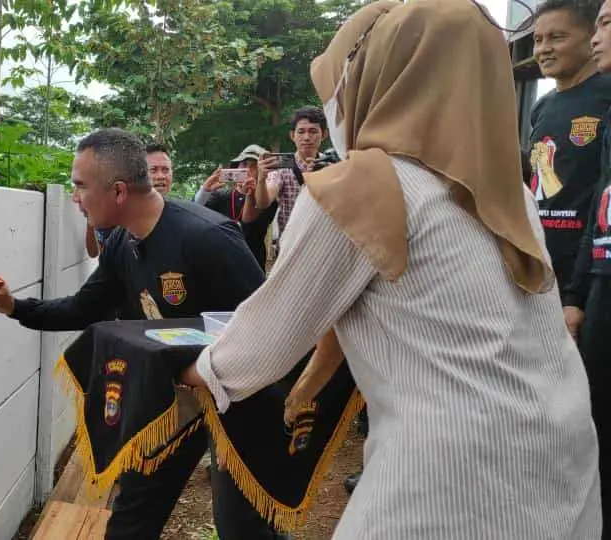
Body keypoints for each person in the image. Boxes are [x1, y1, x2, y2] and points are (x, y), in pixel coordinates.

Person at [179, 1, 601, 537]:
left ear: (380, 77)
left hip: (451, 477)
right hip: (562, 452)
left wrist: (172, 367)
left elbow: (255, 352)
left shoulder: (361, 186)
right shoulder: (508, 193)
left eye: (339, 84)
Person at [0, 128, 285, 540]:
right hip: (170, 400)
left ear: (118, 191)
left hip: (238, 403)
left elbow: (269, 329)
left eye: (80, 185)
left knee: (245, 529)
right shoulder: (122, 242)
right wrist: (13, 306)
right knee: (132, 516)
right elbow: (84, 308)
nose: (75, 197)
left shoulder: (207, 237)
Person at [564, 1, 611, 532]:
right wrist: (577, 295)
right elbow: (598, 211)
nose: (597, 37)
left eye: (606, 23)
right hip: (598, 290)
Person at [529, 0, 611, 301]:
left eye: (557, 38)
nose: (543, 49)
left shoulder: (606, 95)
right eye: (538, 40)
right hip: (544, 265)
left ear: (591, 39)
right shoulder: (541, 108)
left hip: (591, 273)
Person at [195, 144, 279, 268]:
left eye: (254, 166)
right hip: (221, 263)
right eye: (244, 165)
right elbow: (195, 213)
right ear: (236, 167)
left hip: (252, 264)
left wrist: (250, 194)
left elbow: (249, 225)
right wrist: (205, 190)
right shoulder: (221, 196)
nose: (248, 170)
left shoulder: (266, 200)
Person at [253, 107, 330, 240]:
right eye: (301, 132)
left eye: (313, 131)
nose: (306, 137)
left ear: (323, 135)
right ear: (292, 135)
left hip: (322, 240)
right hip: (290, 242)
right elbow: (263, 203)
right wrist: (261, 179)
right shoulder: (282, 168)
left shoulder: (331, 166)